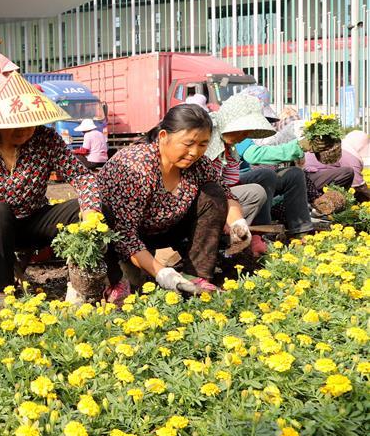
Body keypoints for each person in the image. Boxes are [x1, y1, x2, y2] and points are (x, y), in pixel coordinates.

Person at [0, 72, 101, 306]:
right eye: (16, 124)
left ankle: (84, 286)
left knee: (88, 208)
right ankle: (5, 294)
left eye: (31, 123)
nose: (25, 130)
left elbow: (82, 177)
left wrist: (90, 212)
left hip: (29, 220)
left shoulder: (47, 139)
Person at [99, 104, 251, 297]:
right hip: (122, 239)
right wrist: (162, 272)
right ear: (163, 136)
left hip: (165, 229)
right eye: (188, 144)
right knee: (131, 291)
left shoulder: (198, 164)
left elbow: (225, 193)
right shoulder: (137, 166)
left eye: (203, 145)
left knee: (213, 193)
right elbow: (125, 235)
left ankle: (196, 275)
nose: (195, 152)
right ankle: (114, 279)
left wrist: (238, 222)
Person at [233, 86, 316, 236]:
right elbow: (254, 155)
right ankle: (264, 231)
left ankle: (301, 231)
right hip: (233, 183)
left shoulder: (258, 135)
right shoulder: (235, 129)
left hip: (248, 178)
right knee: (266, 175)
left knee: (294, 174)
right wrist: (297, 148)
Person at [203, 93, 277, 227]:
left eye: (247, 132)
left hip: (221, 189)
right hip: (204, 194)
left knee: (267, 175)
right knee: (255, 192)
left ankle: (260, 228)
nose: (243, 137)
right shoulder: (207, 139)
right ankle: (231, 233)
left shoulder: (230, 148)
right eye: (241, 131)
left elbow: (230, 183)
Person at [304, 130, 370, 202]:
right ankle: (326, 203)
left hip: (310, 177)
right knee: (347, 173)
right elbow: (359, 186)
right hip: (309, 179)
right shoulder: (350, 156)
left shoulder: (341, 147)